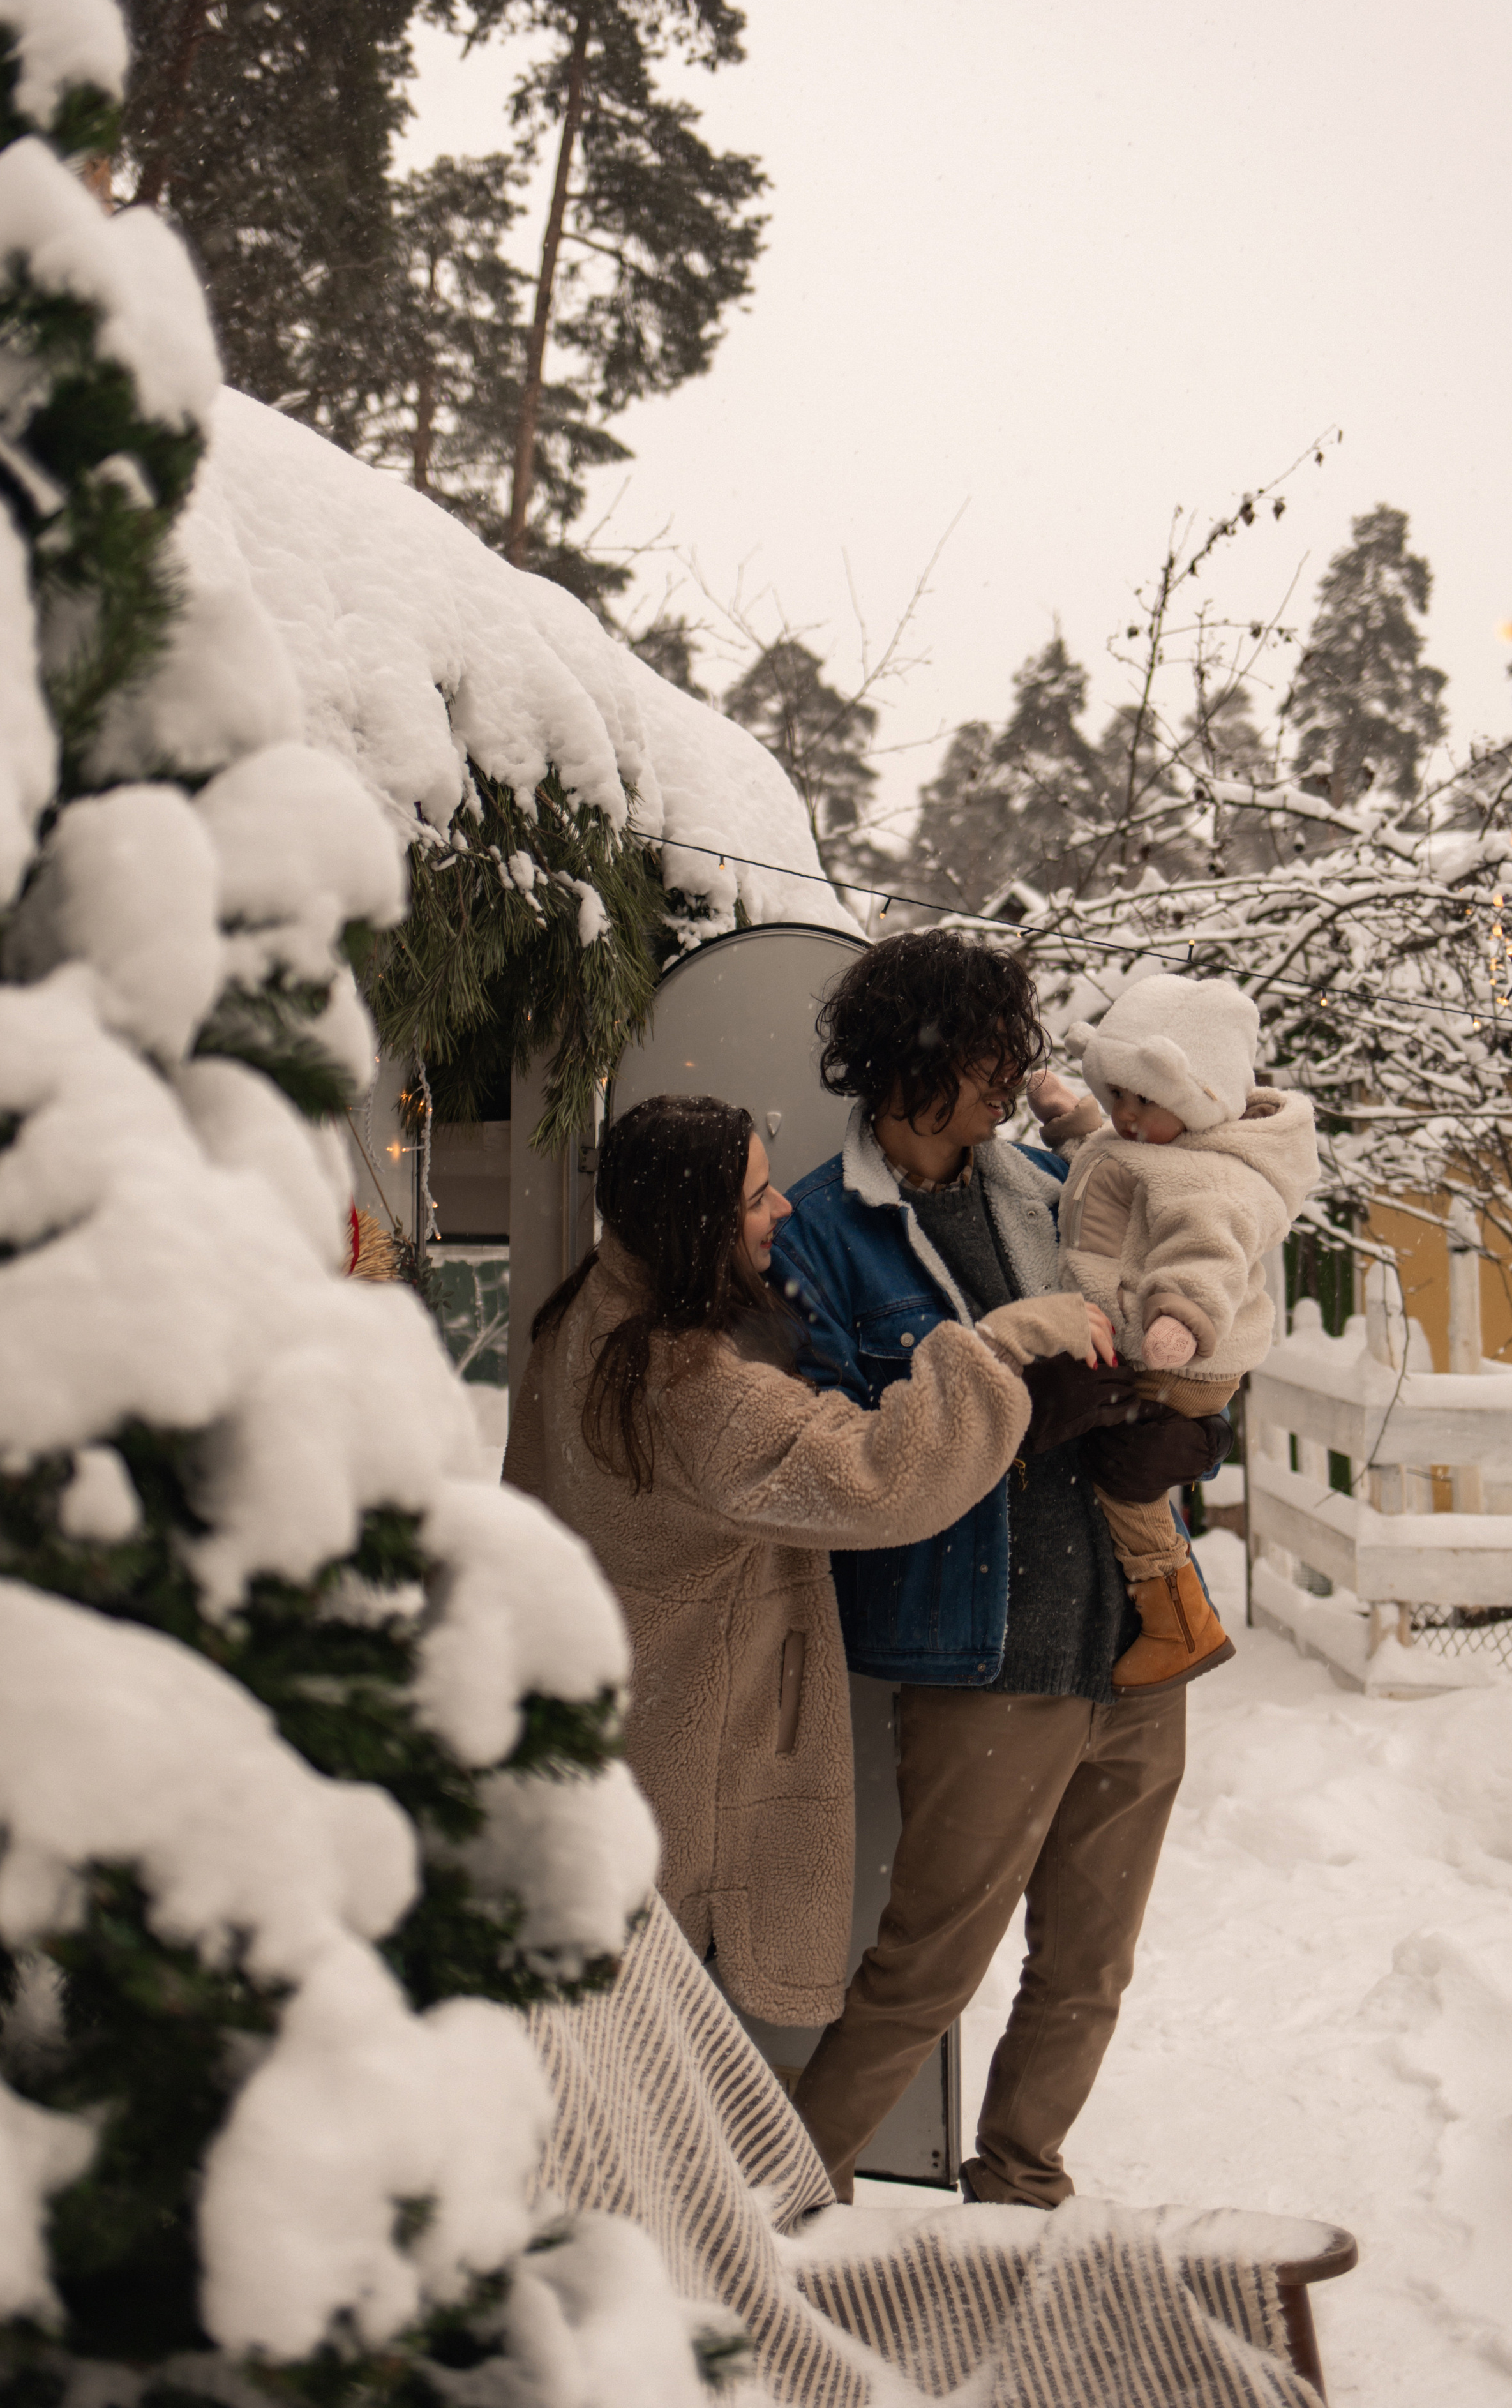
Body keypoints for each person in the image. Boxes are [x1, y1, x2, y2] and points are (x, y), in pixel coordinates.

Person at [767, 933, 1232, 2209]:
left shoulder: (1054, 1186)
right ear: (905, 1063)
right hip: (981, 1660)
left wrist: (1195, 1437)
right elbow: (840, 1458)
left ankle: (1022, 2189)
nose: (1004, 1082)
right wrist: (1018, 1414)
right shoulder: (820, 1232)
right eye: (981, 1058)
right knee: (924, 1971)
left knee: (1089, 1969)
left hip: (1135, 1641)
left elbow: (1184, 1317)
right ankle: (773, 2208)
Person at [502, 1092, 1112, 2031]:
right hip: (691, 1751)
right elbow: (879, 1476)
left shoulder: (592, 1310)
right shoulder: (686, 1382)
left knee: (620, 2011)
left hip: (620, 1721)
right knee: (666, 2028)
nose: (782, 1209)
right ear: (692, 1222)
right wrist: (1002, 1345)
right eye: (755, 1197)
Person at [1030, 974, 1319, 1690]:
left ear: (1200, 1101)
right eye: (1116, 1094)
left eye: (1144, 1100)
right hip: (1151, 1333)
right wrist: (1072, 1119)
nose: (1125, 1116)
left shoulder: (1213, 1180)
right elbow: (1109, 1173)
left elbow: (1206, 1255)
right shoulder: (1161, 1144)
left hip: (1183, 1351)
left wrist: (1179, 1318)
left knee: (1126, 1477)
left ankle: (1180, 1623)